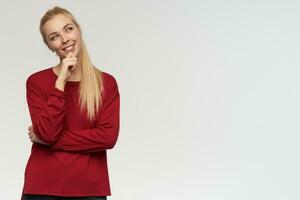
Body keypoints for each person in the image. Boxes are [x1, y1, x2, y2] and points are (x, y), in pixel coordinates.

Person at [21, 6, 120, 200]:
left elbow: (107, 137)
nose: (65, 39)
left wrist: (50, 141)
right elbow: (48, 132)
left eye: (68, 29)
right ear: (50, 46)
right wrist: (60, 83)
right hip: (42, 188)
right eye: (54, 36)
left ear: (78, 29)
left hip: (90, 189)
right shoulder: (37, 82)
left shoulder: (106, 83)